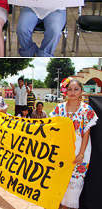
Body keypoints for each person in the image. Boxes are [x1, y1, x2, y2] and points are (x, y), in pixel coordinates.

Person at [50, 78, 98, 208]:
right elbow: (53, 129)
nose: (73, 92)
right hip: (62, 151)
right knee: (59, 183)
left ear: (81, 91)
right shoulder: (59, 109)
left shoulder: (86, 110)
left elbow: (86, 134)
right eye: (70, 89)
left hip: (79, 151)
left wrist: (81, 155)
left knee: (73, 185)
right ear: (65, 91)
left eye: (76, 89)